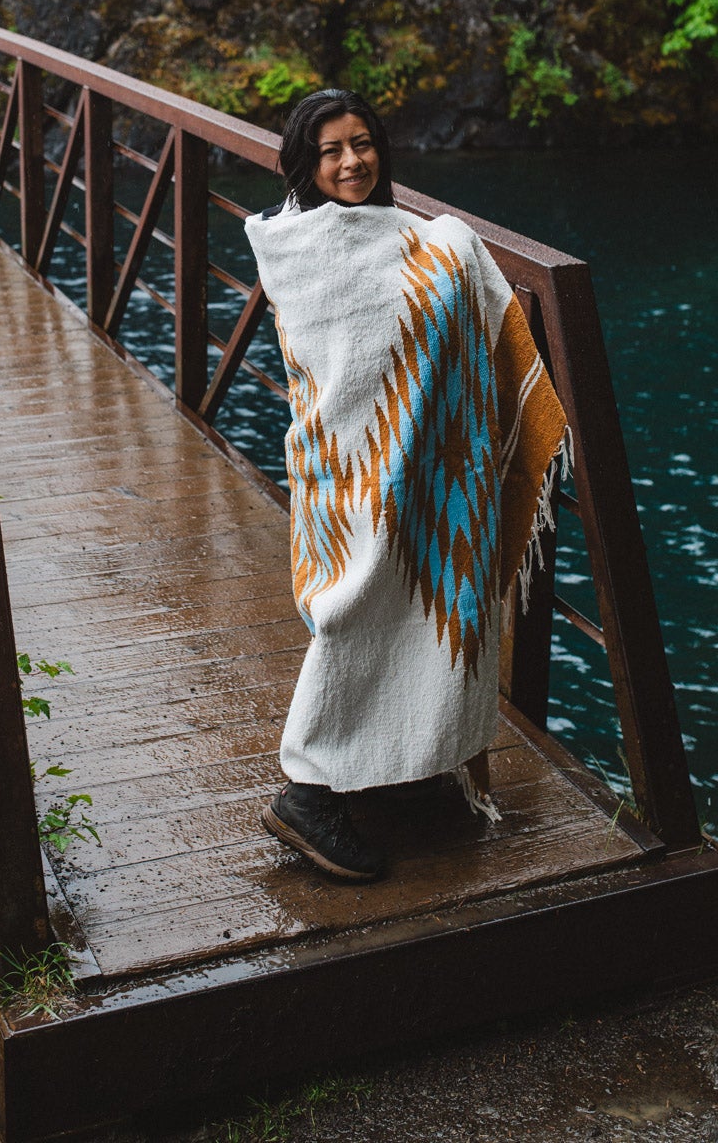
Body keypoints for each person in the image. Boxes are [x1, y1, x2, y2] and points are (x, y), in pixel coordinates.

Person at [245, 89, 570, 883]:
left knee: (430, 603)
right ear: (305, 163)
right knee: (356, 606)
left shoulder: (413, 239)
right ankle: (308, 793)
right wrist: (453, 244)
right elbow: (340, 357)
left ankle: (409, 761)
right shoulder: (296, 245)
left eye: (362, 143)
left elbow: (414, 311)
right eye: (331, 151)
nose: (351, 162)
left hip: (418, 466)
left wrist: (450, 245)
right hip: (346, 465)